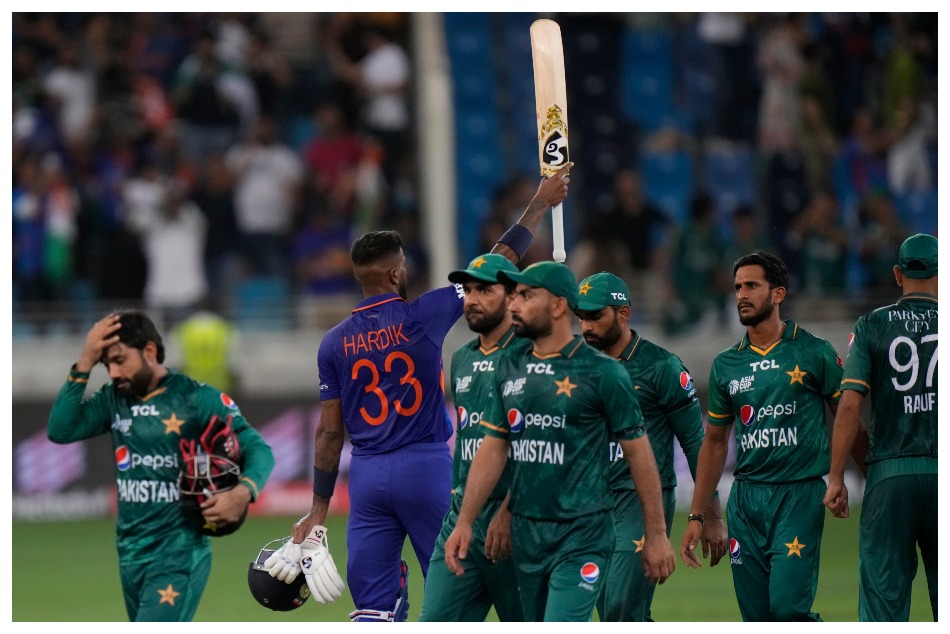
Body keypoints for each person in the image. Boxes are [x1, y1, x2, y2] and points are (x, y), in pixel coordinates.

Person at [279, 163, 573, 621]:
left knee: (372, 608)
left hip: (366, 477)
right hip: (426, 467)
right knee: (454, 590)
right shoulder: (423, 315)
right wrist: (540, 202)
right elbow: (495, 263)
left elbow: (329, 434)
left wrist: (318, 510)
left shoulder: (333, 343)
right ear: (396, 273)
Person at [444, 261, 676, 622]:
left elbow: (639, 453)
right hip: (527, 535)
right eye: (514, 296)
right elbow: (493, 448)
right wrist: (465, 522)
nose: (514, 305)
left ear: (557, 306)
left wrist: (657, 534)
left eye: (526, 296)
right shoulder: (510, 365)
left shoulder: (603, 372)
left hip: (582, 534)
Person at [46, 310, 274, 621]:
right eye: (106, 364)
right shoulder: (113, 399)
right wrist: (85, 361)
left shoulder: (195, 397)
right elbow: (61, 430)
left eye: (120, 360)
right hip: (129, 553)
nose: (113, 372)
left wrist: (242, 492)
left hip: (177, 552)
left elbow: (258, 448)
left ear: (150, 351)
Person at [680, 251, 844, 621]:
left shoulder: (813, 351)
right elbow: (715, 443)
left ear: (778, 293)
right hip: (746, 502)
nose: (741, 294)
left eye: (752, 285)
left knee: (787, 610)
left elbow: (847, 417)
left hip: (798, 495)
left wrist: (854, 475)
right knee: (756, 618)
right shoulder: (727, 364)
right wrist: (698, 515)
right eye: (738, 287)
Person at [575, 271, 727, 621]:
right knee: (613, 611)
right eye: (581, 317)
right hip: (589, 502)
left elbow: (696, 443)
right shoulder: (576, 366)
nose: (586, 327)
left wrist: (709, 514)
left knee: (620, 608)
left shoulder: (661, 367)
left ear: (624, 313)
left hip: (640, 500)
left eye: (595, 316)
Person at [823, 233, 937, 621]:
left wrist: (836, 477)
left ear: (897, 274)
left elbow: (850, 404)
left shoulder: (872, 324)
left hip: (890, 474)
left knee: (882, 609)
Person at [418, 254, 529, 622]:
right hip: (463, 518)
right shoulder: (462, 358)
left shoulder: (531, 357)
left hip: (517, 522)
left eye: (484, 290)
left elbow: (541, 446)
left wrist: (510, 510)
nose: (471, 300)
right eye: (467, 291)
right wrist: (462, 515)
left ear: (512, 296)